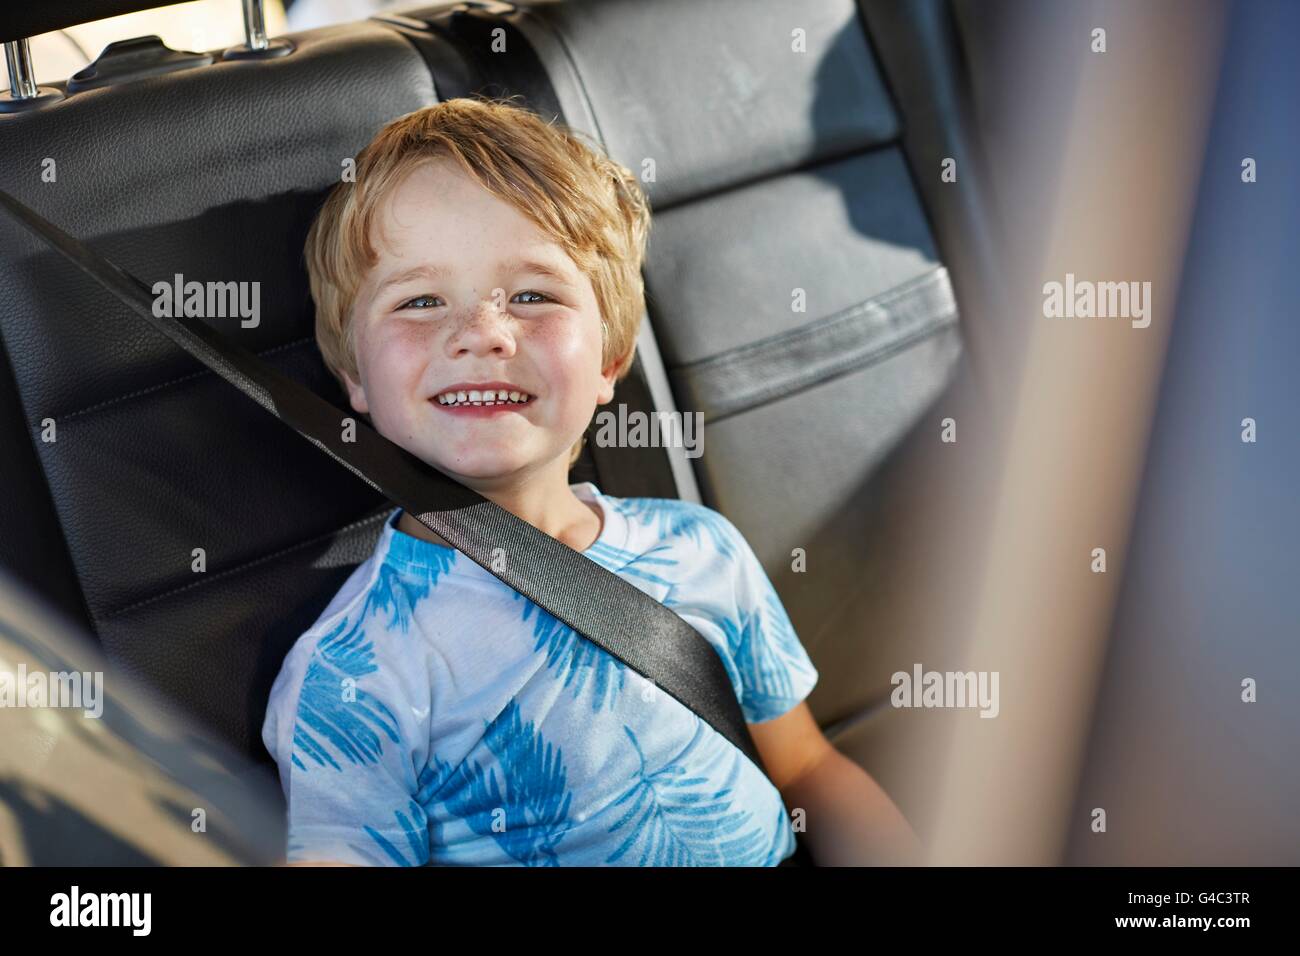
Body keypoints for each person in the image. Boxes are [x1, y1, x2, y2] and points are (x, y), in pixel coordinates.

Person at [261, 97, 919, 865]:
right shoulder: (352, 673)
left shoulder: (702, 552)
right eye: (420, 301)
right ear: (355, 377)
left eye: (533, 295)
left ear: (610, 359)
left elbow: (806, 768)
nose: (483, 332)